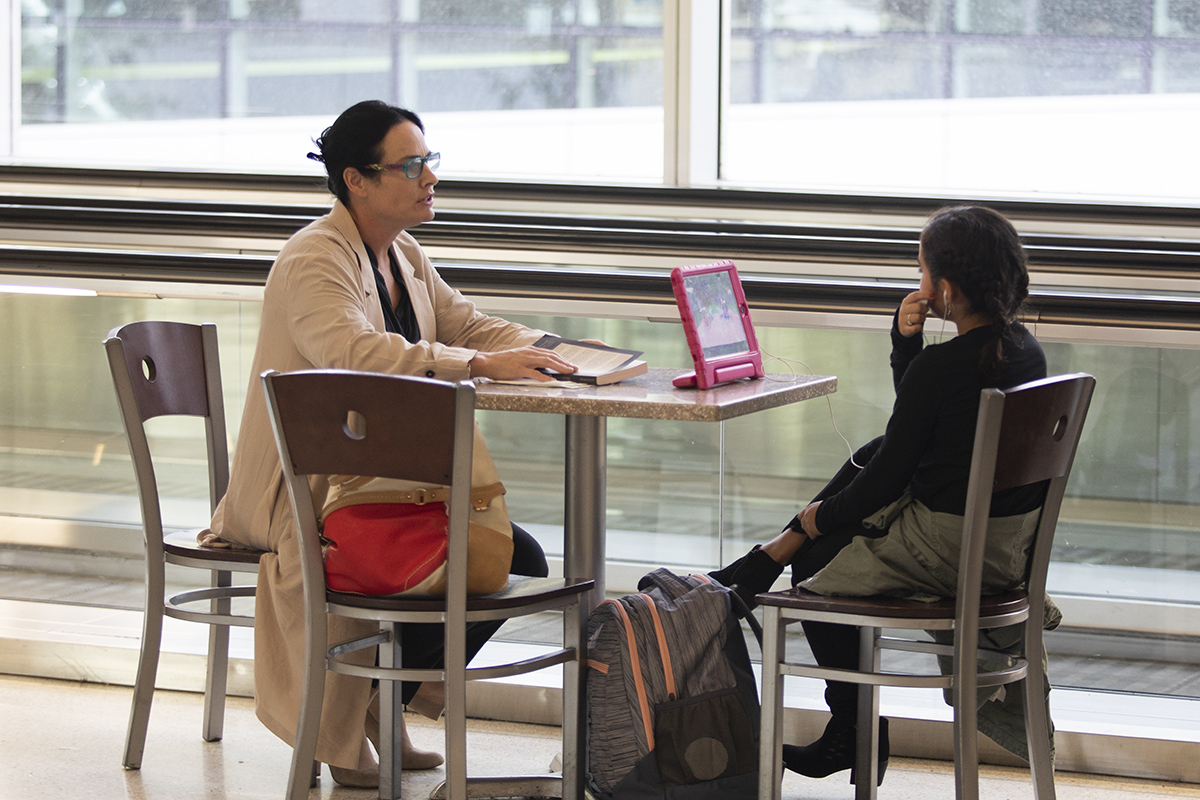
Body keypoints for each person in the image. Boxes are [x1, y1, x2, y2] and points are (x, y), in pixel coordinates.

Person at [202, 100, 580, 788]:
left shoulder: (401, 252)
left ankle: (382, 699)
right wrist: (479, 367)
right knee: (500, 554)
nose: (429, 177)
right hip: (304, 492)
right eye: (411, 165)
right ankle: (359, 713)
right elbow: (352, 350)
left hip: (373, 487)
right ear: (358, 180)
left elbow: (466, 324)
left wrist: (562, 352)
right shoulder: (314, 258)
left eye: (430, 160)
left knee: (515, 555)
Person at [713, 205, 1049, 783]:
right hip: (1003, 545)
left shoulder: (945, 367)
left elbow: (895, 472)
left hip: (949, 549)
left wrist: (816, 521)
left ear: (944, 287)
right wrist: (907, 346)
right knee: (870, 451)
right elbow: (912, 434)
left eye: (922, 273)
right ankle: (770, 558)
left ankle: (853, 727)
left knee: (818, 565)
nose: (919, 286)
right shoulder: (1026, 352)